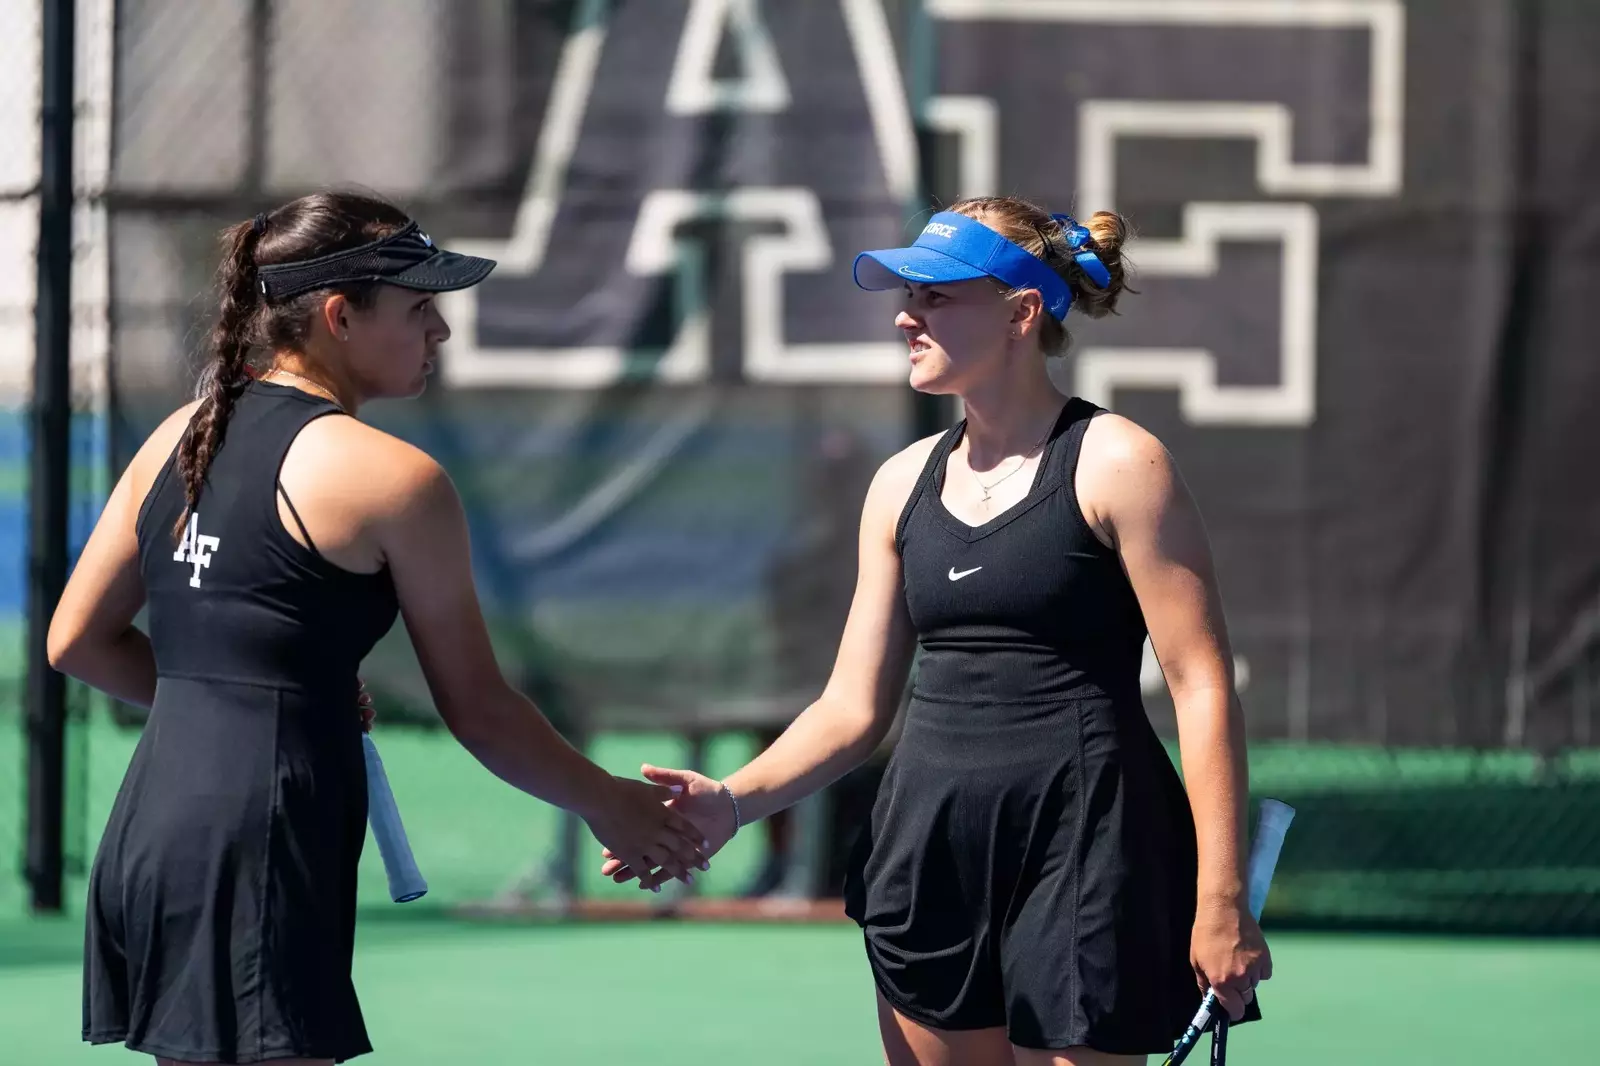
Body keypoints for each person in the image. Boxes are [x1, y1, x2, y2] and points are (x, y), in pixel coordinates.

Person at [601, 197, 1270, 1065]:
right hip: (927, 849)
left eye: (938, 294)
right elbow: (850, 707)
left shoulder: (1120, 463)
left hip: (1088, 850)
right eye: (907, 293)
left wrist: (1220, 897)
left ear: (1022, 312)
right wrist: (732, 803)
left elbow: (1201, 686)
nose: (905, 315)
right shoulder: (900, 484)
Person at [47, 191, 707, 1066]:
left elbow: (77, 642)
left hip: (155, 828)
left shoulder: (179, 432)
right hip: (263, 841)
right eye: (420, 309)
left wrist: (260, 692)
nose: (439, 333)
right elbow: (478, 708)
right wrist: (613, 804)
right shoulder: (395, 478)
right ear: (338, 315)